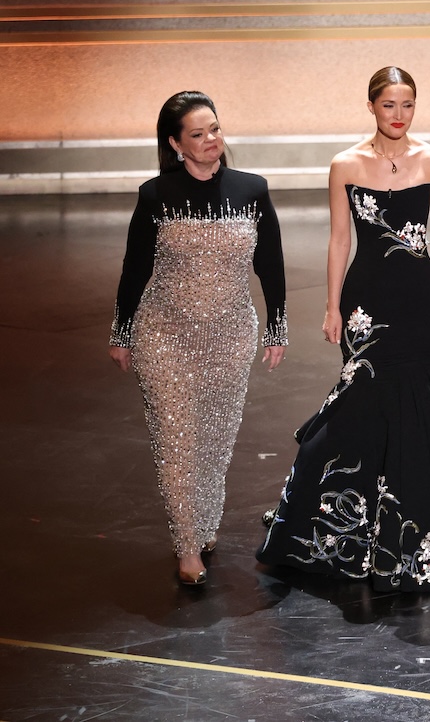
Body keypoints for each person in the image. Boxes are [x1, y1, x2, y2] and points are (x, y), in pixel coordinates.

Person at [257, 67, 430, 592]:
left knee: (421, 394)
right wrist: (330, 306)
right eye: (389, 104)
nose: (399, 114)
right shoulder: (345, 164)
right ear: (371, 105)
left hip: (418, 295)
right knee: (364, 399)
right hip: (365, 298)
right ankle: (349, 526)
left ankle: (422, 525)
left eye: (408, 105)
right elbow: (339, 240)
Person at [110, 91, 288, 587]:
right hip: (163, 335)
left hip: (230, 335)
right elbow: (134, 269)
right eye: (198, 134)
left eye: (215, 129)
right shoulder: (155, 195)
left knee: (214, 442)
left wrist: (276, 326)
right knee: (177, 440)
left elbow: (269, 262)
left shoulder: (252, 190)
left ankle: (202, 522)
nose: (212, 140)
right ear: (175, 143)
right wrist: (121, 331)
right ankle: (189, 544)